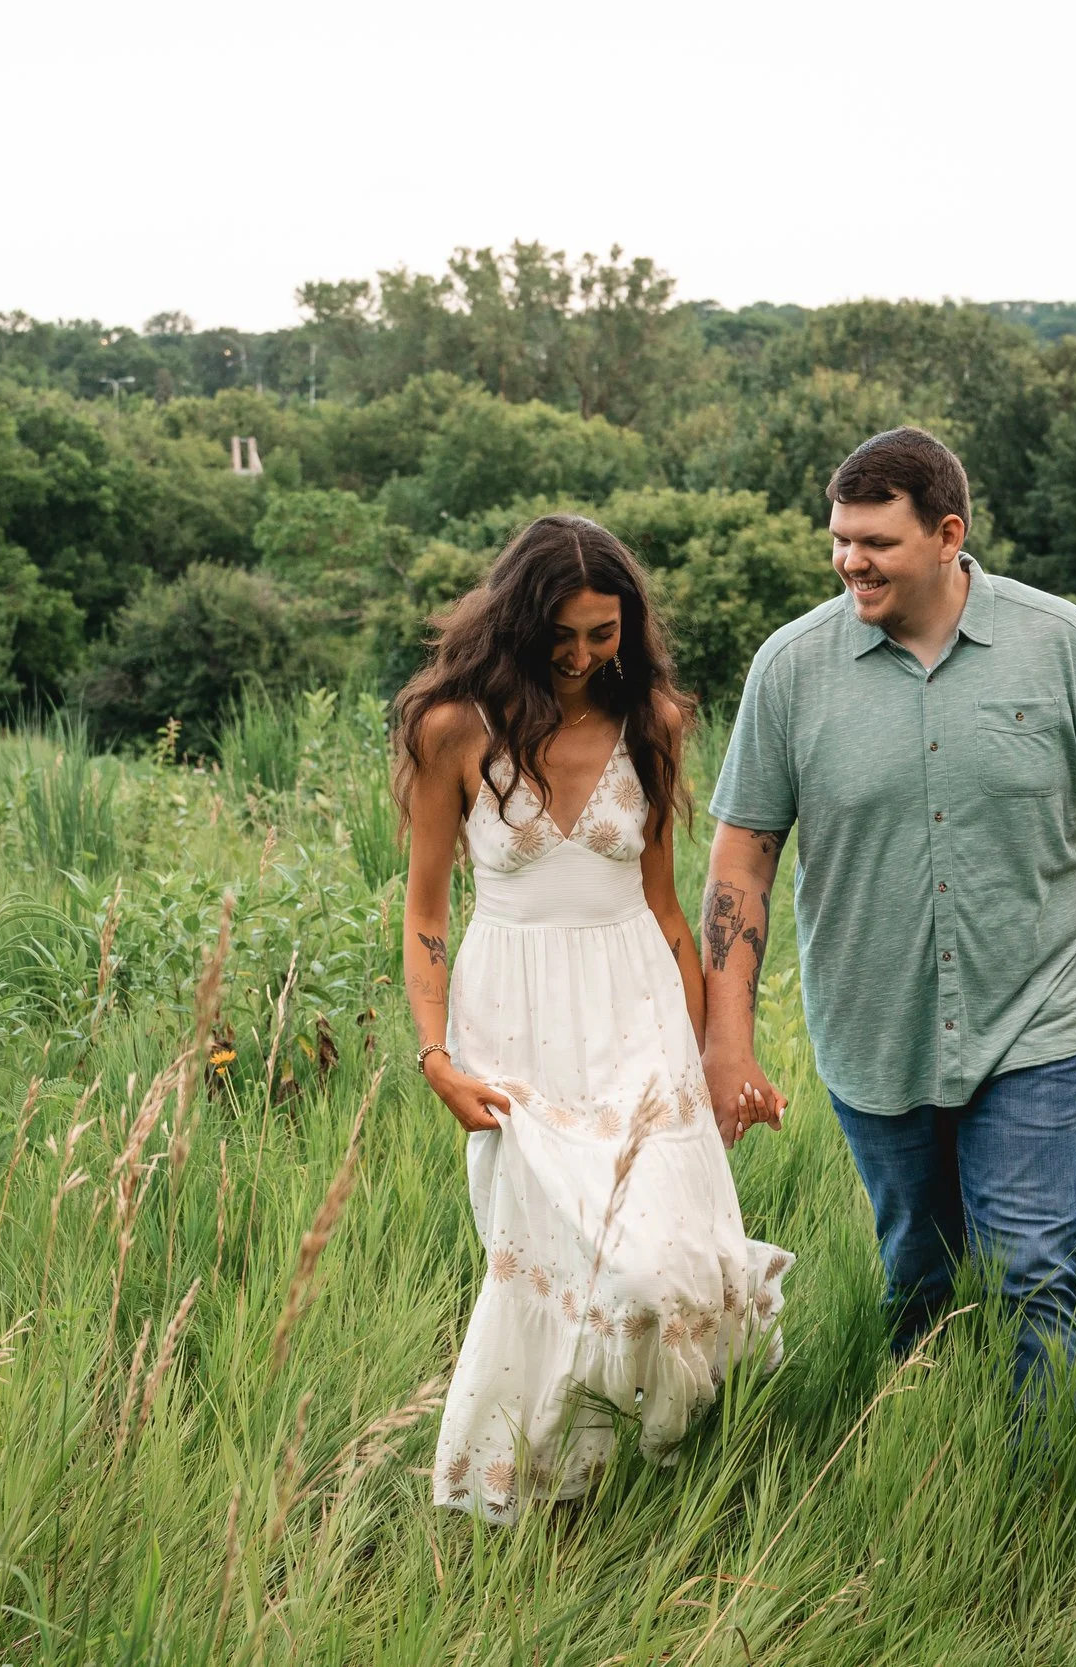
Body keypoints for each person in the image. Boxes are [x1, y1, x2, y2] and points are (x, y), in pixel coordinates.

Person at [700, 427, 1076, 1402]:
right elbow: (740, 863)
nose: (849, 560)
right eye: (838, 538)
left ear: (947, 534)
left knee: (1032, 1272)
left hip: (1030, 1017)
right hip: (874, 1028)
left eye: (874, 541)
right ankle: (923, 1460)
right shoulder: (790, 669)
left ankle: (1048, 1506)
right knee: (919, 1280)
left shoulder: (1055, 643)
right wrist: (726, 1038)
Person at [397, 514, 791, 1524]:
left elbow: (666, 906)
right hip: (512, 1027)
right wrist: (436, 1056)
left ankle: (649, 1459)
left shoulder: (650, 720)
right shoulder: (451, 726)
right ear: (518, 621)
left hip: (638, 1016)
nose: (579, 656)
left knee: (660, 1271)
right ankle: (546, 1493)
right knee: (562, 1264)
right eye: (561, 634)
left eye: (601, 634)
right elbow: (427, 911)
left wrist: (714, 1053)